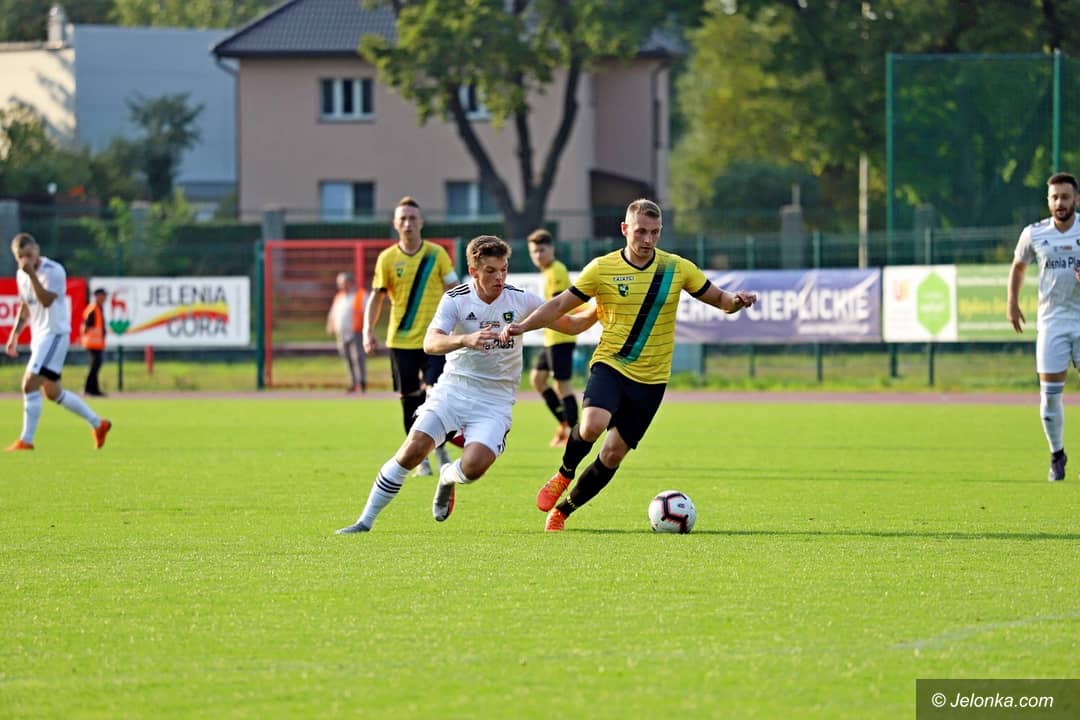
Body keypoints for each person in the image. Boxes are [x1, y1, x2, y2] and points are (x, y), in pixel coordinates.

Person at [503, 199, 757, 531]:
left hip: (652, 380)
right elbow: (560, 305)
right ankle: (564, 473)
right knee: (592, 424)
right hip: (612, 364)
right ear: (625, 229)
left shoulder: (677, 268)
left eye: (654, 232)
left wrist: (736, 302)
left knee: (612, 454)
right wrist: (524, 326)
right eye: (640, 232)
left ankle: (563, 511)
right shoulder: (601, 269)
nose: (648, 239)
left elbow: (721, 300)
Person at [338, 235, 596, 533]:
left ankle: (448, 475)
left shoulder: (521, 299)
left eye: (503, 269)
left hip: (495, 400)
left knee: (474, 467)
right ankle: (364, 522)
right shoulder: (456, 298)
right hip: (453, 389)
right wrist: (465, 339)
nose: (499, 277)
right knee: (413, 449)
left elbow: (571, 324)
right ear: (473, 271)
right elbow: (430, 343)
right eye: (490, 271)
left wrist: (600, 308)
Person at [364, 196, 459, 476]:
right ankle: (419, 458)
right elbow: (376, 297)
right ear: (395, 224)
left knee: (435, 396)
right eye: (403, 219)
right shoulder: (387, 259)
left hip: (435, 339)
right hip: (401, 341)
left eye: (412, 218)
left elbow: (454, 290)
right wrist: (368, 330)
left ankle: (439, 448)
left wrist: (461, 326)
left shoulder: (436, 254)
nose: (408, 223)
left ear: (422, 222)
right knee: (409, 399)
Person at [4, 233, 112, 451]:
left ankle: (26, 440)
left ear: (37, 250)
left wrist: (32, 275)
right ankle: (98, 424)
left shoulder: (54, 271)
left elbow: (45, 301)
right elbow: (26, 306)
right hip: (39, 336)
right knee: (52, 392)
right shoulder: (21, 275)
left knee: (29, 383)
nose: (26, 260)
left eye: (29, 254)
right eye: (20, 256)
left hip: (54, 334)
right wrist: (14, 335)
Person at [1007, 171, 1080, 482]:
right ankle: (1057, 455)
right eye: (1054, 197)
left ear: (1076, 199)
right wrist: (1012, 302)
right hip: (1052, 323)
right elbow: (1019, 266)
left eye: (1065, 197)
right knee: (1049, 397)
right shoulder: (1034, 233)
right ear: (1048, 201)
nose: (1060, 202)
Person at [527, 228, 580, 448]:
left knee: (562, 386)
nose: (538, 255)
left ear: (552, 249)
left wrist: (531, 319)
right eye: (534, 251)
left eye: (542, 250)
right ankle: (564, 424)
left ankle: (575, 435)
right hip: (551, 337)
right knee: (537, 380)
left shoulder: (557, 270)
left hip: (561, 337)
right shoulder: (547, 271)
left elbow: (557, 305)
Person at [326, 271, 366, 393]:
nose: (341, 285)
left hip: (356, 331)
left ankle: (361, 382)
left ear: (350, 282)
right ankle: (352, 382)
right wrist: (330, 325)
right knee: (347, 358)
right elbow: (333, 313)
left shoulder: (360, 295)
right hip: (341, 333)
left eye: (343, 282)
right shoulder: (339, 296)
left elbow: (368, 312)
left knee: (358, 357)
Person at [80, 287, 107, 396]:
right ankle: (88, 388)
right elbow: (86, 325)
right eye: (102, 295)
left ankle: (94, 389)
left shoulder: (98, 308)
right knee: (94, 365)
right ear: (97, 296)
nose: (104, 298)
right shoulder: (93, 308)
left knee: (96, 365)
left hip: (97, 343)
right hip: (92, 342)